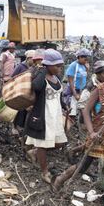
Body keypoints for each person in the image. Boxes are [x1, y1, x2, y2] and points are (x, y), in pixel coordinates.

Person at [53, 62, 104, 206]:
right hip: (97, 137)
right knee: (82, 167)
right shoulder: (99, 90)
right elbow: (86, 111)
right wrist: (91, 132)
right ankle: (60, 180)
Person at [25, 49, 67, 183]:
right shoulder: (41, 77)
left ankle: (35, 152)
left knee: (60, 142)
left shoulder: (57, 78)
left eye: (60, 66)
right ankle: (44, 172)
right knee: (43, 144)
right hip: (44, 115)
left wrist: (64, 106)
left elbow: (59, 95)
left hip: (55, 115)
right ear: (48, 65)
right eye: (57, 66)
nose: (59, 69)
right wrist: (43, 70)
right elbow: (36, 87)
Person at [77, 60, 104, 140]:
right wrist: (87, 125)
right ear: (98, 74)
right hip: (89, 122)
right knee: (87, 141)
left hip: (101, 121)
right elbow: (83, 109)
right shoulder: (90, 89)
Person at [64, 48, 90, 117]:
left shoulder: (84, 65)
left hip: (81, 90)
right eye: (85, 58)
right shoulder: (73, 65)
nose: (86, 60)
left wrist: (87, 69)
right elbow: (71, 81)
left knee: (80, 109)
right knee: (72, 111)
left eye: (87, 58)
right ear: (79, 57)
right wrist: (75, 94)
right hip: (73, 91)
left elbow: (84, 77)